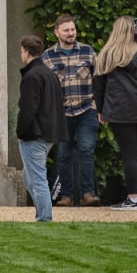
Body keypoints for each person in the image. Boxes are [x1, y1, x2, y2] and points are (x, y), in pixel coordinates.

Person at [93, 15, 137, 211]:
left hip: (120, 109)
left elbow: (99, 86)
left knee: (129, 156)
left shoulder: (107, 55)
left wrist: (100, 109)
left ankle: (132, 198)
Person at [42, 14, 100, 207]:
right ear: (56, 32)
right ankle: (65, 196)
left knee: (86, 149)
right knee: (63, 154)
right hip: (61, 114)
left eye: (73, 29)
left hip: (86, 109)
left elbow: (99, 80)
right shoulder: (47, 56)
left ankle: (87, 193)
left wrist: (99, 107)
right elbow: (43, 88)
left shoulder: (87, 51)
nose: (71, 33)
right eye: (66, 30)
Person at [16, 34, 68, 222]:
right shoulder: (49, 73)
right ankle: (42, 212)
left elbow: (28, 109)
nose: (21, 55)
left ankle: (44, 217)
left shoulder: (32, 76)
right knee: (29, 178)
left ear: (27, 52)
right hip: (48, 133)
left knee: (37, 179)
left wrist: (21, 132)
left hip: (35, 134)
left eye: (22, 51)